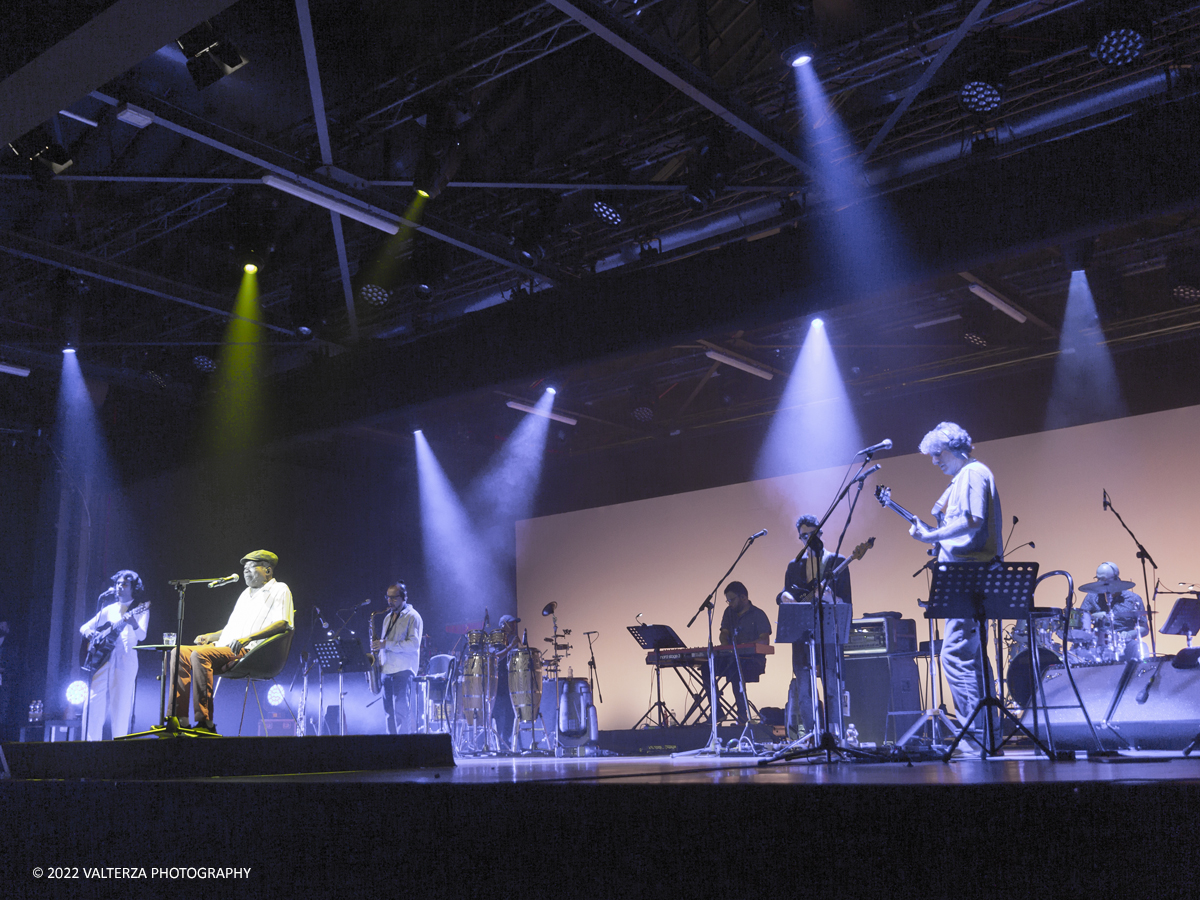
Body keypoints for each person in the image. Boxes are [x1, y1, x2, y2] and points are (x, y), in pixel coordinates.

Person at [910, 422, 1003, 750]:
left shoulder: (972, 474)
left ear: (954, 448)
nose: (935, 461)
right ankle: (987, 736)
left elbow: (973, 519)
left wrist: (932, 536)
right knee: (971, 657)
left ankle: (975, 740)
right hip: (970, 574)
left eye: (938, 453)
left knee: (955, 655)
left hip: (968, 577)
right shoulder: (968, 476)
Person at [170, 550, 294, 734]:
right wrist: (211, 636)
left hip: (251, 652)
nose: (246, 571)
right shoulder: (245, 594)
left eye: (252, 567)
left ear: (267, 570)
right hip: (224, 647)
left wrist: (248, 639)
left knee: (199, 655)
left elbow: (283, 623)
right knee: (177, 652)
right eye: (244, 568)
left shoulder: (280, 589)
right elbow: (232, 629)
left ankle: (205, 723)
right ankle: (180, 719)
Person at [779, 515, 852, 740]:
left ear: (820, 534)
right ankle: (812, 736)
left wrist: (831, 597)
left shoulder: (836, 561)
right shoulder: (794, 565)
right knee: (804, 692)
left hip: (829, 634)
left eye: (811, 534)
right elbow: (786, 593)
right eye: (803, 536)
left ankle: (835, 735)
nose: (807, 539)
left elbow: (846, 601)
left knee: (832, 688)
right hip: (802, 636)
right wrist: (785, 596)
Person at [79, 570, 149, 740]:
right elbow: (83, 627)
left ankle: (119, 746)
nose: (119, 587)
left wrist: (133, 623)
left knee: (120, 706)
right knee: (92, 702)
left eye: (124, 584)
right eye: (118, 583)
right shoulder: (109, 609)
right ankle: (89, 744)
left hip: (125, 659)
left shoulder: (141, 608)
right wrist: (91, 634)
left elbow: (142, 636)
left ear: (133, 588)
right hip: (103, 659)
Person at [709, 581, 772, 725]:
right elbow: (723, 634)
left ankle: (742, 715)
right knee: (707, 668)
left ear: (743, 597)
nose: (729, 603)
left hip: (752, 661)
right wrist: (726, 648)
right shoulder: (728, 613)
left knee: (735, 669)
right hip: (731, 658)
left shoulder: (758, 614)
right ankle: (717, 710)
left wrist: (744, 647)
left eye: (731, 600)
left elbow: (764, 640)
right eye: (727, 600)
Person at [371, 582, 422, 734]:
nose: (389, 601)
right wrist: (377, 663)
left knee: (401, 711)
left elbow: (414, 644)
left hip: (403, 669)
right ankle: (391, 747)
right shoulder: (387, 618)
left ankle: (403, 748)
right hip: (387, 669)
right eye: (388, 597)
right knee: (389, 713)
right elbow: (384, 645)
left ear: (404, 598)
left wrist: (385, 644)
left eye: (394, 598)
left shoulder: (413, 616)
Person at [1081, 562, 1149, 661]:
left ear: (1116, 578)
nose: (1101, 583)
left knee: (1141, 647)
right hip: (1099, 643)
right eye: (1098, 579)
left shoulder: (1133, 598)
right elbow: (1082, 620)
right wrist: (1093, 616)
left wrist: (1129, 634)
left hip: (1125, 643)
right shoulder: (1092, 597)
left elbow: (1144, 628)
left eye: (1104, 580)